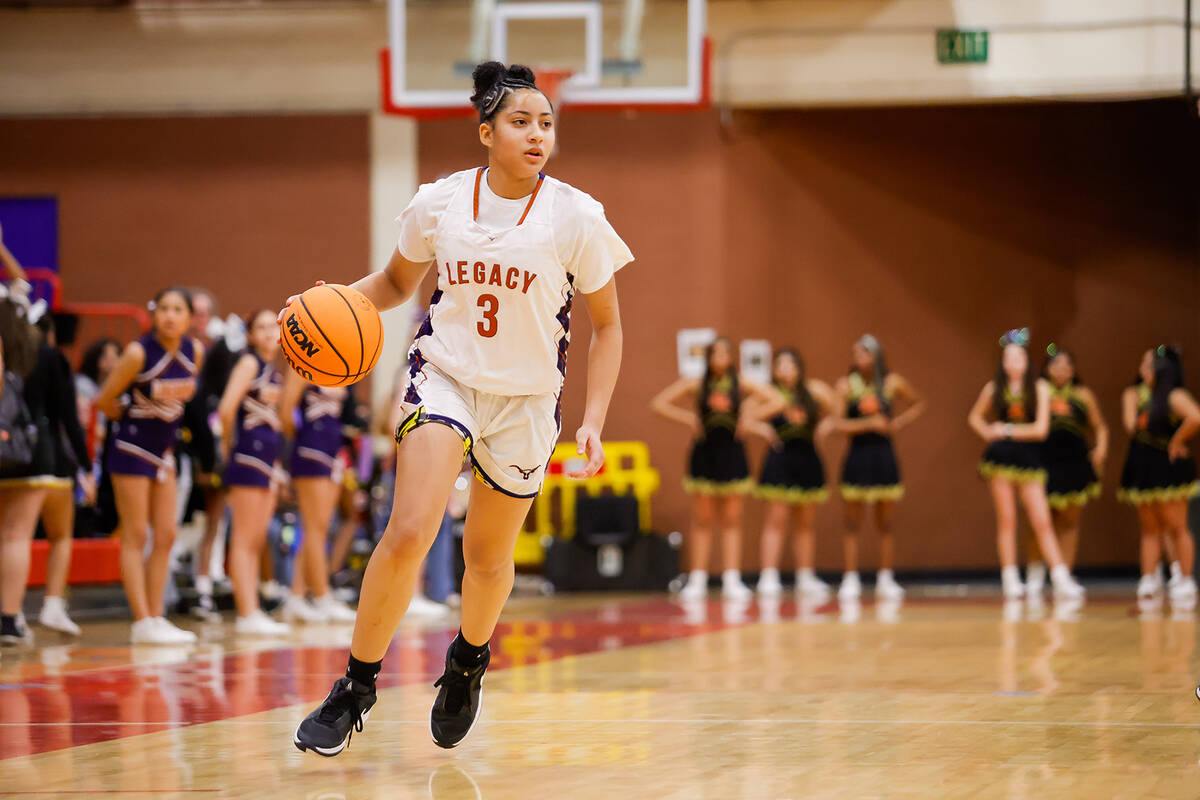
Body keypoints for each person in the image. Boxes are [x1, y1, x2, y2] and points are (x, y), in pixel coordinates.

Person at [290, 62, 630, 757]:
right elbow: (391, 283)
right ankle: (356, 685)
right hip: (445, 377)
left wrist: (593, 419)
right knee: (411, 528)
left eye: (546, 122)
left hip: (527, 400)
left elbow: (610, 325)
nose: (538, 134)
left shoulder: (577, 216)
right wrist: (326, 308)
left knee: (486, 556)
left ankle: (468, 661)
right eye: (521, 121)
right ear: (485, 132)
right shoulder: (439, 202)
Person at [94, 287, 203, 644]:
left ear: (189, 317)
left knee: (167, 534)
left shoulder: (194, 351)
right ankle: (141, 620)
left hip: (165, 453)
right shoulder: (139, 352)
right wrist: (131, 418)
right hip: (131, 448)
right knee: (136, 534)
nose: (170, 316)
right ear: (154, 314)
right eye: (164, 309)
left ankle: (157, 617)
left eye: (178, 309)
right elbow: (103, 399)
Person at [651, 336, 779, 601]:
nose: (719, 358)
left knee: (732, 519)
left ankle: (732, 579)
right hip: (705, 453)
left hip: (732, 452)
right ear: (708, 358)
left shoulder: (739, 383)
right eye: (715, 354)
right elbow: (659, 403)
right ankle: (697, 580)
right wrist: (688, 418)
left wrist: (749, 416)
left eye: (724, 353)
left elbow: (775, 399)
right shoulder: (697, 384)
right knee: (703, 519)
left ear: (731, 357)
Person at [968, 329, 1086, 601]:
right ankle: (1010, 578)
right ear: (1003, 362)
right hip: (1001, 460)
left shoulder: (1040, 388)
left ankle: (1059, 577)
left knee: (1041, 519)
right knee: (1007, 519)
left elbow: (1040, 429)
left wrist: (1006, 429)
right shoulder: (993, 388)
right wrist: (988, 432)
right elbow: (974, 417)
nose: (1013, 362)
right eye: (1008, 358)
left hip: (1029, 457)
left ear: (1027, 360)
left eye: (1018, 357)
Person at [833, 334, 924, 601]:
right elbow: (838, 424)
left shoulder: (892, 383)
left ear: (877, 355)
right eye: (856, 354)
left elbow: (918, 403)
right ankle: (850, 578)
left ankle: (886, 577)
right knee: (852, 521)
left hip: (883, 455)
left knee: (885, 521)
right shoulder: (845, 385)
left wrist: (898, 423)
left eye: (864, 353)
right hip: (857, 456)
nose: (859, 358)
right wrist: (867, 425)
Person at [218, 309, 289, 636]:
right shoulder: (248, 364)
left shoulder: (272, 369)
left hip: (267, 458)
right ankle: (247, 612)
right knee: (245, 540)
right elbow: (226, 408)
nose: (267, 333)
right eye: (259, 327)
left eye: (271, 327)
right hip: (248, 454)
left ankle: (253, 608)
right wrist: (230, 446)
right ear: (249, 335)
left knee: (257, 538)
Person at [744, 348, 835, 599]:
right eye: (780, 365)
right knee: (776, 520)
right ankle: (768, 576)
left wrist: (825, 427)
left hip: (806, 458)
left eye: (790, 364)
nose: (785, 369)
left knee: (805, 522)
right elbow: (744, 416)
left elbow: (835, 405)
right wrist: (762, 429)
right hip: (780, 458)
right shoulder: (770, 395)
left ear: (799, 368)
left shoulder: (812, 391)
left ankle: (806, 576)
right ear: (774, 370)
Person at [1118, 346, 1200, 605]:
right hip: (1143, 465)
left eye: (1148, 363)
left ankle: (1185, 579)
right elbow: (1131, 426)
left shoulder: (1174, 396)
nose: (1142, 367)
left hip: (1169, 466)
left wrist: (1177, 440)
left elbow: (1196, 418)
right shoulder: (1135, 394)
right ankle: (1149, 577)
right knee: (1149, 528)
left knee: (1177, 526)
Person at [28, 312, 93, 636]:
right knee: (60, 535)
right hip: (48, 457)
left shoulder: (10, 355)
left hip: (9, 454)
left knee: (11, 537)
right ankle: (52, 605)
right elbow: (69, 417)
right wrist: (86, 465)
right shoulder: (52, 358)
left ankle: (10, 614)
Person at [1023, 345, 1107, 595]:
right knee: (1039, 521)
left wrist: (1100, 449)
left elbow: (1100, 426)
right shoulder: (1038, 392)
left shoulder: (1083, 395)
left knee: (1069, 522)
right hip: (1043, 462)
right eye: (1056, 364)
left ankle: (1064, 577)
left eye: (1067, 364)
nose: (1062, 369)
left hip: (1074, 464)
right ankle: (1035, 576)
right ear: (1046, 368)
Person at [277, 372, 357, 624]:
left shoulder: (340, 365)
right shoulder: (301, 367)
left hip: (333, 451)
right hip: (310, 450)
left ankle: (296, 595)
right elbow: (284, 412)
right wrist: (303, 438)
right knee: (314, 528)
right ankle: (322, 596)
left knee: (319, 528)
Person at [0, 297, 44, 644]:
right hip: (31, 452)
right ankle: (11, 619)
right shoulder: (37, 350)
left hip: (12, 446)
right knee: (16, 537)